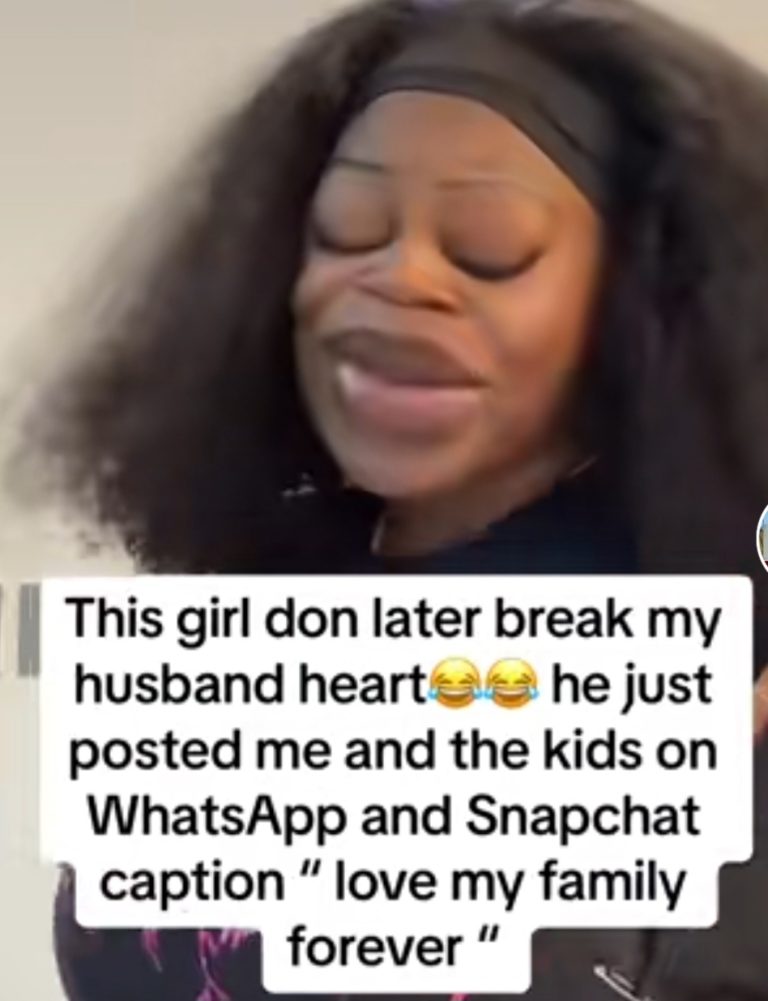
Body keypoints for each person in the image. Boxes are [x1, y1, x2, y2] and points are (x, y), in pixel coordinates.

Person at [16, 0, 768, 997]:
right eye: (345, 232)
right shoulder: (248, 600)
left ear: (638, 308)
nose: (399, 276)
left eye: (489, 246)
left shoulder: (719, 663)